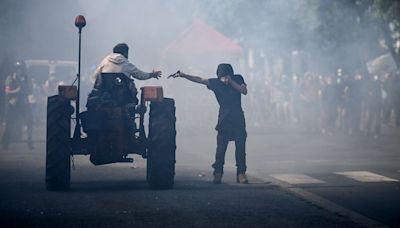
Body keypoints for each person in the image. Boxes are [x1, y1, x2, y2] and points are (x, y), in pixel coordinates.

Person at [170, 63, 248, 184]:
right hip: (224, 117)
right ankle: (218, 173)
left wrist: (231, 82)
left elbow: (244, 91)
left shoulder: (238, 78)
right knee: (221, 148)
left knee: (240, 146)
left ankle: (241, 173)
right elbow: (200, 79)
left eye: (227, 75)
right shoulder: (215, 83)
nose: (225, 78)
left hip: (238, 116)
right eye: (223, 76)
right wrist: (184, 75)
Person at [91, 43, 161, 96]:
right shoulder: (126, 63)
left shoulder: (105, 61)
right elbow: (140, 75)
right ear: (125, 52)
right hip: (123, 97)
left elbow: (95, 77)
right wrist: (152, 75)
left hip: (104, 95)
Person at [1, 60, 34, 150]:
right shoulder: (10, 78)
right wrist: (17, 90)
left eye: (21, 69)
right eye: (18, 69)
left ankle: (29, 142)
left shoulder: (27, 78)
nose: (20, 71)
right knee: (9, 124)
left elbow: (30, 90)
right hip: (14, 104)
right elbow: (7, 91)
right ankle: (5, 143)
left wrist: (25, 90)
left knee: (30, 122)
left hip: (24, 103)